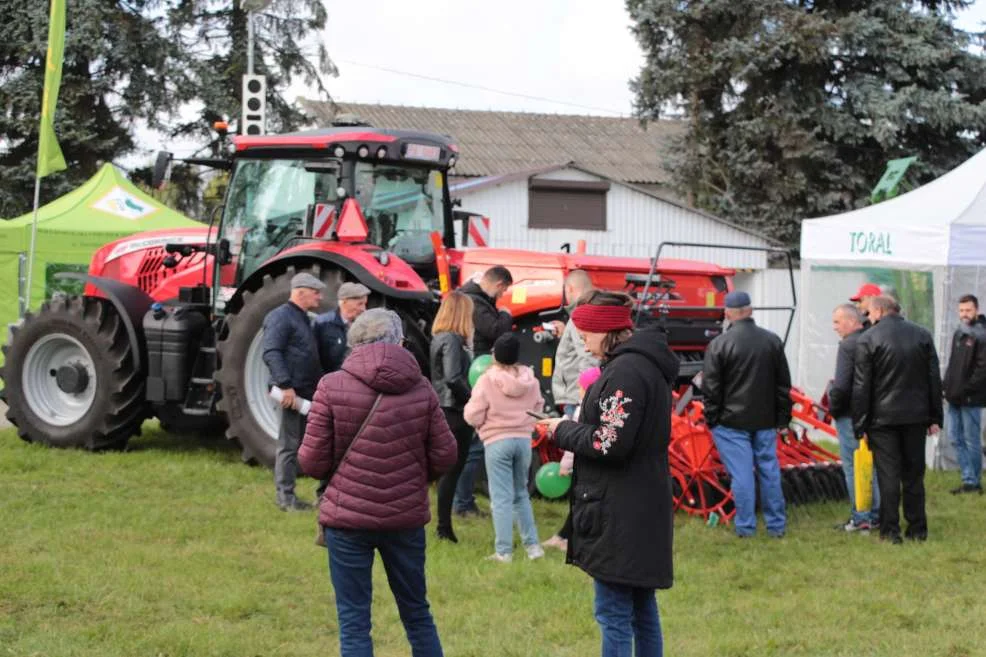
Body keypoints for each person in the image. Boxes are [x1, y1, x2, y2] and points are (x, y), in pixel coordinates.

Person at [298, 308, 457, 657]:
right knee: (417, 612)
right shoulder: (423, 389)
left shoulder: (330, 386)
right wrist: (415, 476)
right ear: (401, 342)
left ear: (354, 343)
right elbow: (445, 454)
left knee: (354, 620)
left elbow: (311, 461)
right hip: (405, 517)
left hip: (347, 519)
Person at [535, 290, 678, 657]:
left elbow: (609, 443)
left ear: (604, 331)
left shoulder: (626, 372)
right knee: (641, 609)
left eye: (585, 337)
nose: (584, 346)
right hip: (639, 502)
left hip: (622, 510)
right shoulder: (642, 366)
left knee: (614, 612)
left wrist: (561, 428)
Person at [852, 296, 943, 544]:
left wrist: (860, 425)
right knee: (914, 474)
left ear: (879, 311)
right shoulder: (922, 335)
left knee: (888, 474)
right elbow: (933, 378)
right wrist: (935, 416)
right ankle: (917, 529)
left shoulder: (868, 339)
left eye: (869, 313)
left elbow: (862, 386)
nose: (868, 318)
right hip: (916, 416)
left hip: (882, 419)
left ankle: (890, 531)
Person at [701, 290, 791, 539]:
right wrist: (782, 419)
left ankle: (746, 526)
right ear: (750, 311)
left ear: (728, 313)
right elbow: (783, 385)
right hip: (765, 420)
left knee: (741, 475)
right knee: (769, 470)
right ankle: (776, 526)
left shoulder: (719, 345)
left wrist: (712, 418)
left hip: (730, 422)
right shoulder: (772, 341)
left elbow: (711, 388)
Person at [464, 333, 544, 562]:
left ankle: (504, 551)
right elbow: (538, 408)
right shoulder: (531, 379)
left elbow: (472, 414)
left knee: (500, 498)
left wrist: (483, 423)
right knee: (521, 493)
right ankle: (533, 547)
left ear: (495, 355)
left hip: (497, 441)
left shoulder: (487, 380)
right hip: (523, 441)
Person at [262, 272, 325, 512]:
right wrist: (286, 385)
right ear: (300, 292)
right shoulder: (281, 317)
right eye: (315, 292)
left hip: (304, 391)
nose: (319, 297)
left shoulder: (301, 318)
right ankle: (285, 498)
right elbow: (271, 352)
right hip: (292, 394)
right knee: (289, 445)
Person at [455, 266, 515, 517]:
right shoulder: (477, 303)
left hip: (476, 375)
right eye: (504, 289)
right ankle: (463, 503)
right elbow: (496, 331)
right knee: (474, 445)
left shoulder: (471, 298)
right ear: (498, 283)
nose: (503, 295)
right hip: (478, 376)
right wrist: (505, 314)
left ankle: (463, 501)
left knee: (473, 445)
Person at [828, 303, 880, 531]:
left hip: (850, 414)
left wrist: (833, 408)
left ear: (850, 321)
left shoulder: (848, 346)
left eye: (837, 322)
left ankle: (861, 517)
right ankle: (876, 514)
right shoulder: (873, 338)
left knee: (853, 465)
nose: (834, 327)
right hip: (875, 413)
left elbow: (841, 386)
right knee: (873, 465)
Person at [430, 292, 476, 543]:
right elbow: (453, 377)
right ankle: (444, 527)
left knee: (448, 470)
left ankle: (443, 524)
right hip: (455, 411)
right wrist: (473, 399)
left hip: (444, 408)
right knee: (452, 470)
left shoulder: (439, 338)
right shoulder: (453, 340)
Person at [543, 365, 601, 553]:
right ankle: (566, 536)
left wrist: (565, 465)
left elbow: (573, 445)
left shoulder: (581, 410)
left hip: (581, 466)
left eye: (580, 387)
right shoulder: (602, 408)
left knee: (577, 503)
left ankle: (567, 538)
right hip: (596, 467)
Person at [943, 294, 986, 495]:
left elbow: (982, 369)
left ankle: (973, 481)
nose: (964, 314)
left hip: (971, 398)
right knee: (954, 437)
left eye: (968, 310)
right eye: (961, 310)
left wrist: (966, 389)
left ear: (976, 309)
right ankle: (968, 477)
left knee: (971, 439)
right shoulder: (959, 333)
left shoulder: (981, 333)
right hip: (954, 396)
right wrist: (946, 386)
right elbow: (953, 363)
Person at [552, 269, 599, 418]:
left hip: (576, 397)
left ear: (570, 288)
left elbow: (588, 356)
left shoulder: (579, 317)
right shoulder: (593, 311)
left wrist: (584, 397)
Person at [313, 281, 370, 374]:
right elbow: (313, 359)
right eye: (360, 304)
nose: (364, 309)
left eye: (365, 304)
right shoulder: (322, 324)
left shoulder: (366, 327)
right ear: (344, 302)